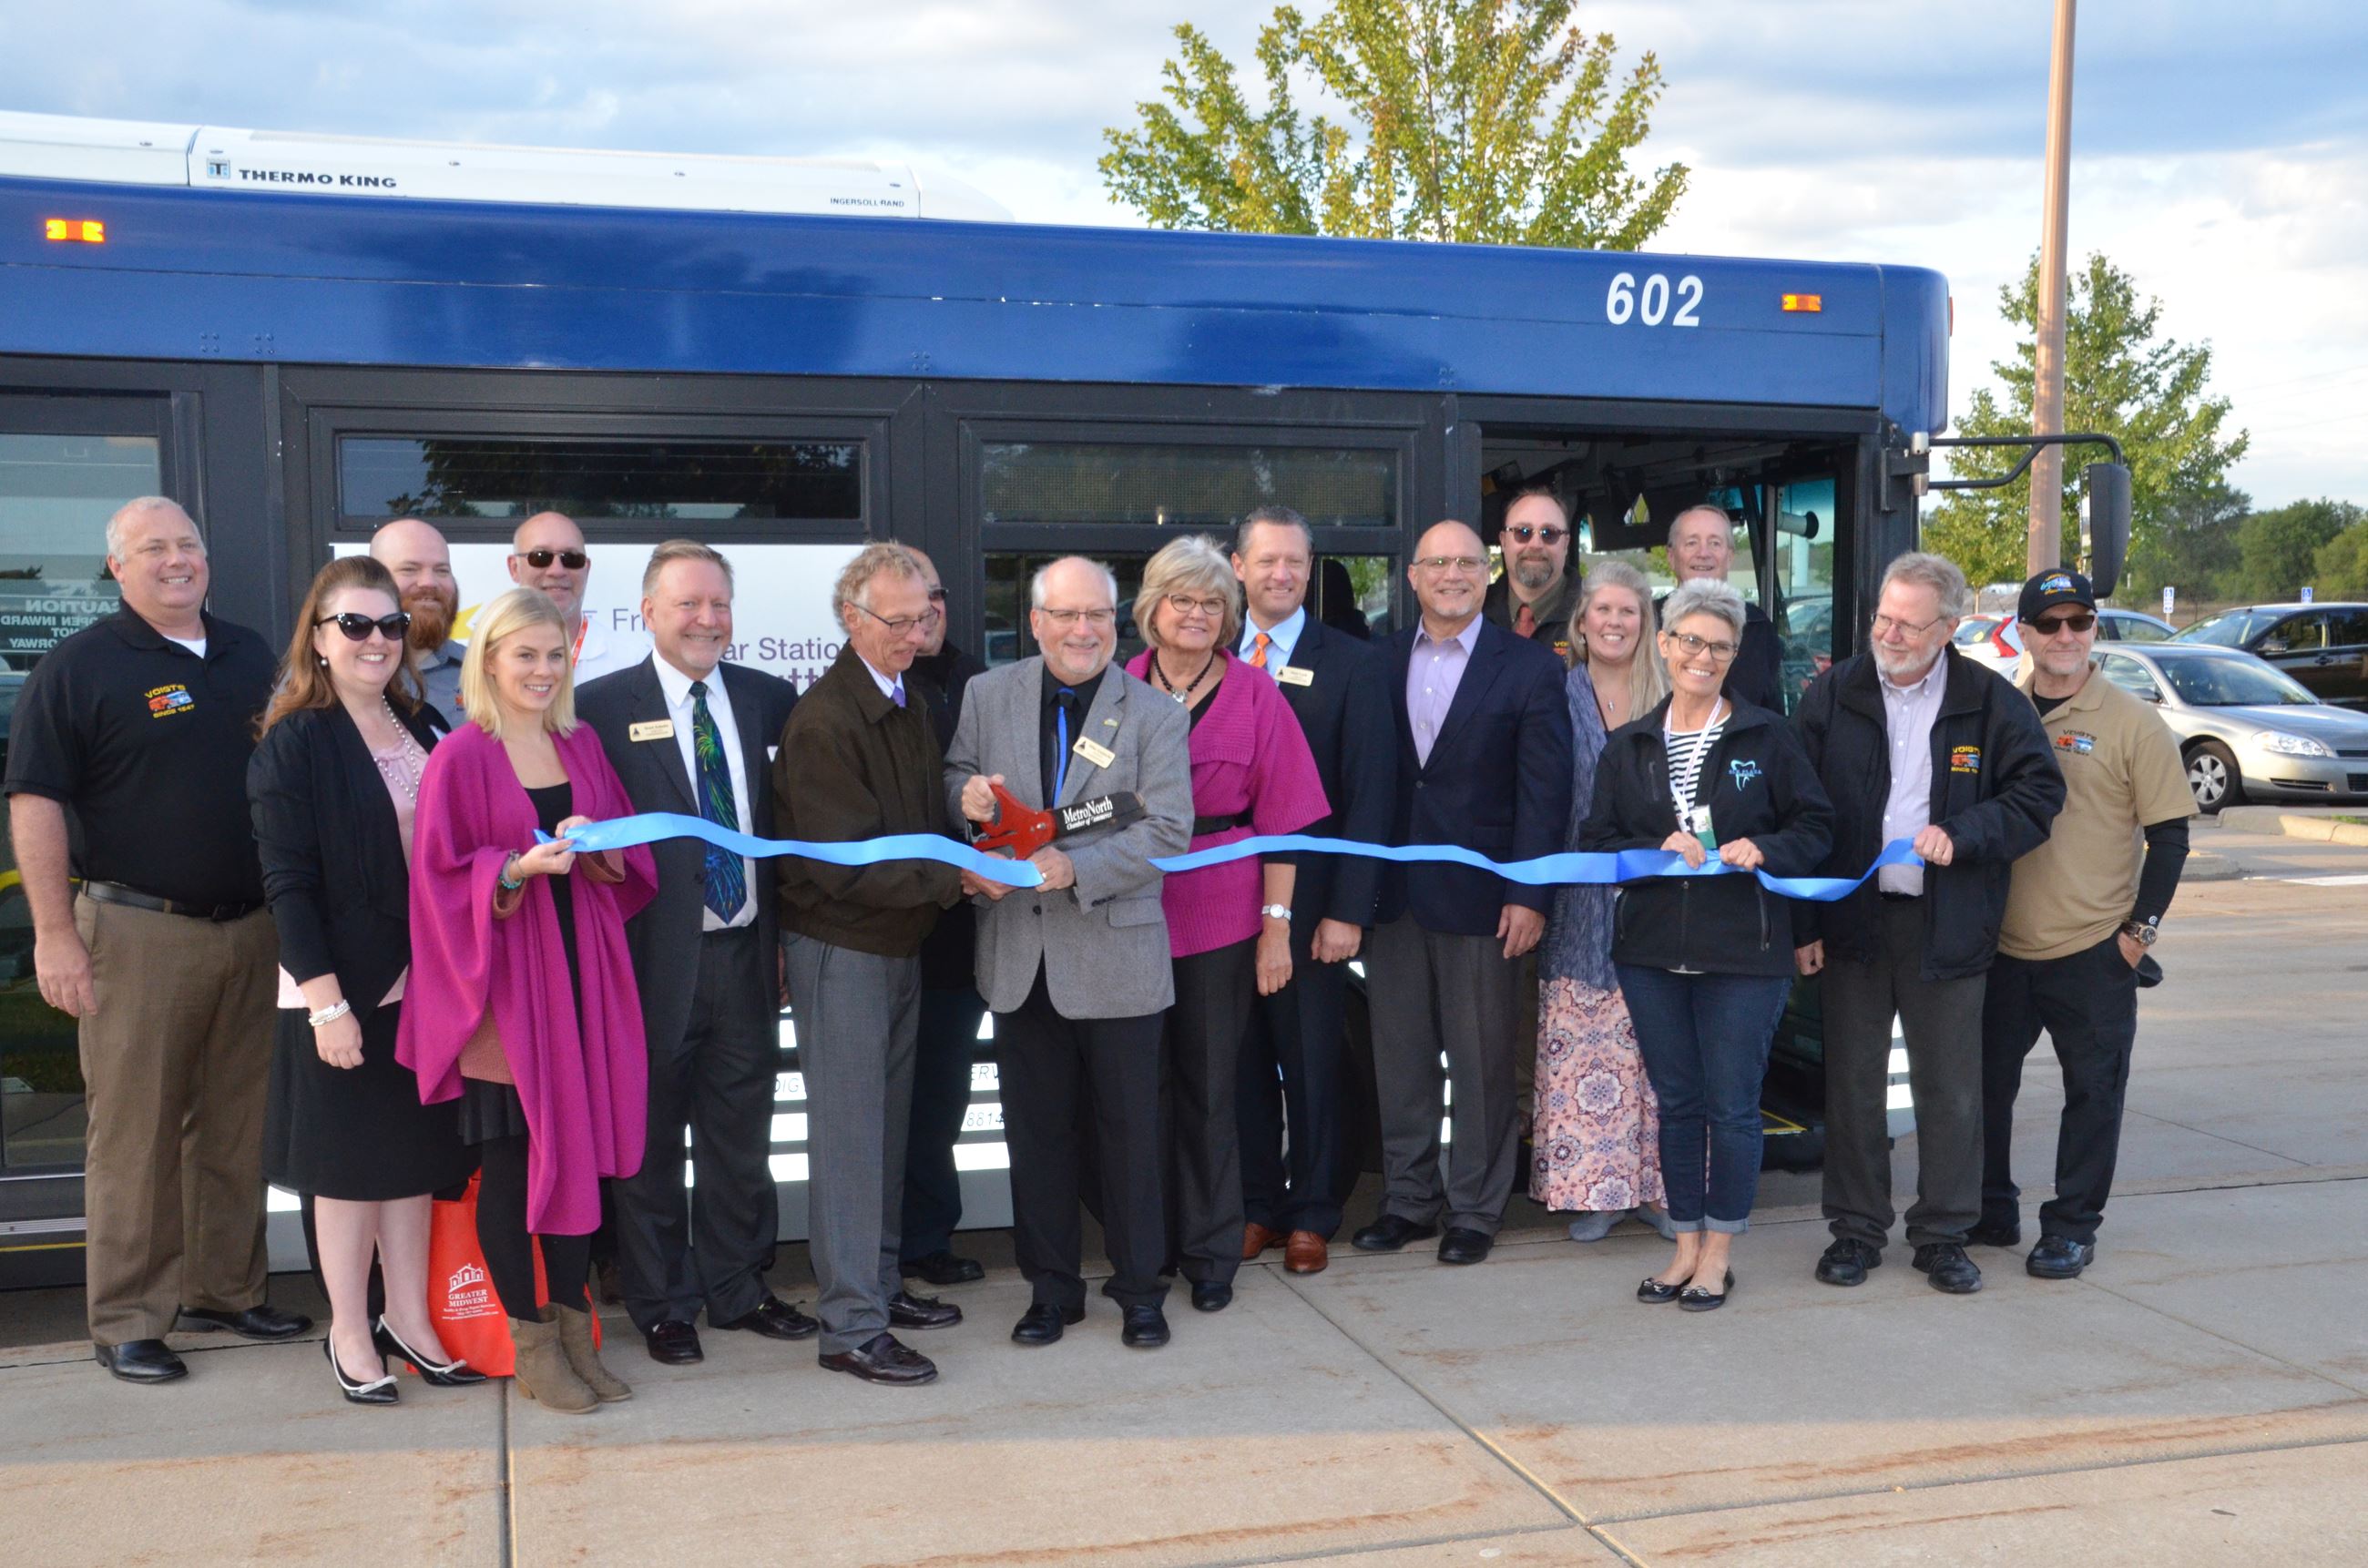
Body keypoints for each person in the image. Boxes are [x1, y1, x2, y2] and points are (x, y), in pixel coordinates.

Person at [5, 496, 309, 1384]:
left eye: (188, 545)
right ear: (117, 567)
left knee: (234, 1126)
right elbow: (34, 802)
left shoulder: (252, 654)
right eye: (153, 548)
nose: (177, 561)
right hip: (136, 932)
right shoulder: (80, 667)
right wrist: (54, 934)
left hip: (250, 930)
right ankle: (130, 1318)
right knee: (133, 1134)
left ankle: (225, 1288)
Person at [398, 587, 657, 1414]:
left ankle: (577, 1333)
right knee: (513, 1172)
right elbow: (437, 880)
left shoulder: (579, 745)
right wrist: (514, 870)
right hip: (504, 993)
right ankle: (531, 1342)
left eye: (554, 656)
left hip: (584, 978)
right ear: (490, 661)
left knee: (581, 1161)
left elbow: (629, 851)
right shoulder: (461, 757)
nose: (542, 671)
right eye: (525, 656)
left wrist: (597, 847)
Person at [1793, 552, 2064, 1297]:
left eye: (1910, 624)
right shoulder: (1831, 693)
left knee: (1951, 1090)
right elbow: (1798, 812)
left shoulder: (1990, 702)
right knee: (1850, 1084)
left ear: (1947, 628)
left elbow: (2039, 794)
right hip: (1852, 921)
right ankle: (1854, 1230)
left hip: (1947, 924)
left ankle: (1944, 1234)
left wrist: (1968, 831)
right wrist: (1803, 922)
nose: (1891, 634)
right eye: (1884, 617)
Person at [944, 556, 1193, 1349]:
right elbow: (954, 776)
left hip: (1117, 960)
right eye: (1067, 616)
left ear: (1115, 624)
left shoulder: (1155, 714)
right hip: (1021, 961)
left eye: (1097, 617)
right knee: (1037, 1136)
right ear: (1038, 621)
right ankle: (1050, 1291)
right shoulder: (988, 694)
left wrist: (1076, 865)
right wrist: (966, 798)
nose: (1083, 631)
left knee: (1131, 1139)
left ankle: (1141, 1290)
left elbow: (1168, 830)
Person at [250, 555, 478, 1404]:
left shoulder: (420, 725)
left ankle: (410, 1319)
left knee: (412, 1163)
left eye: (389, 625)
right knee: (347, 1172)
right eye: (355, 625)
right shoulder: (294, 742)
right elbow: (289, 886)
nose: (376, 640)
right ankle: (350, 1329)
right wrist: (327, 1005)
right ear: (318, 636)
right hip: (340, 992)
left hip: (425, 989)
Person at [577, 542, 806, 1367]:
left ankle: (740, 1288)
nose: (707, 619)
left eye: (719, 604)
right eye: (688, 604)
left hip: (747, 954)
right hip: (646, 967)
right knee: (646, 1148)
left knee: (740, 1139)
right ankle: (663, 1302)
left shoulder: (768, 699)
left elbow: (784, 832)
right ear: (646, 612)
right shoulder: (599, 708)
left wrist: (780, 943)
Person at [1579, 579, 1833, 1309]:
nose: (1703, 656)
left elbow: (1817, 828)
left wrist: (1768, 846)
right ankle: (1682, 1246)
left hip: (1744, 954)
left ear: (1734, 655)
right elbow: (1596, 842)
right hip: (1652, 953)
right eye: (1690, 641)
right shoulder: (1628, 746)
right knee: (1678, 1104)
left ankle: (1719, 1252)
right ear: (1664, 646)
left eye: (1719, 646)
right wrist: (1650, 844)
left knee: (1733, 1106)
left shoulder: (1765, 735)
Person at [774, 543, 968, 1387]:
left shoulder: (912, 701)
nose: (913, 631)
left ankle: (879, 1288)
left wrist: (975, 831)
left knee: (883, 1132)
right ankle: (850, 1326)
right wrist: (959, 878)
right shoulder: (824, 720)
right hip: (843, 949)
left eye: (923, 615)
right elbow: (842, 862)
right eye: (896, 620)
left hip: (897, 944)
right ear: (851, 620)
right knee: (852, 1142)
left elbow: (921, 824)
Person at [1353, 520, 1572, 1266]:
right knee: (1401, 1059)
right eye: (1437, 563)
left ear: (1491, 574)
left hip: (1485, 902)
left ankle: (1476, 1209)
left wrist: (1529, 893)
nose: (1452, 574)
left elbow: (1545, 793)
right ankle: (1409, 1200)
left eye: (1468, 563)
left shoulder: (1531, 668)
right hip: (1393, 897)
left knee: (1481, 1063)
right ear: (1412, 577)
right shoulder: (1375, 662)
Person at [1122, 535, 1328, 1313]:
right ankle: (1150, 1247)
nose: (1199, 615)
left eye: (1214, 603)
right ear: (1153, 609)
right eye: (1184, 600)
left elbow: (1286, 823)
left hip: (1222, 912)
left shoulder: (1255, 693)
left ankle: (1212, 1256)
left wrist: (1276, 929)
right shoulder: (1118, 688)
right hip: (1129, 912)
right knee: (1141, 1092)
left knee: (1213, 1091)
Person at [1979, 569, 2194, 1279]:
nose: (2066, 636)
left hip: (2093, 950)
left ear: (2094, 629)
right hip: (2000, 948)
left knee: (2093, 1095)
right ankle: (1991, 1206)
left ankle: (2071, 1226)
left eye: (2079, 622)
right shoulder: (1999, 713)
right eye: (2051, 624)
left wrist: (2139, 936)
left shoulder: (2134, 723)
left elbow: (2169, 839)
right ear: (2026, 634)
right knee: (1983, 1089)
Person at [1230, 507, 1397, 1277]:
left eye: (1295, 561)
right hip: (1219, 907)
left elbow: (1371, 797)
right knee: (1237, 1061)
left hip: (1314, 909)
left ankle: (1314, 1211)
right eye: (1267, 561)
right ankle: (1257, 1203)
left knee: (1313, 1065)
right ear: (1238, 567)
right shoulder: (1203, 659)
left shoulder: (1354, 664)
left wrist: (1347, 910)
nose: (1282, 574)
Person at [1533, 561, 1676, 1243]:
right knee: (1592, 1052)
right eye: (1604, 611)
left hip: (1662, 898)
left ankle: (1663, 1191)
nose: (1616, 622)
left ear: (1647, 623)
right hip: (1579, 899)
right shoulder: (1554, 694)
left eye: (1630, 611)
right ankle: (1599, 1192)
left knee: (1662, 1051)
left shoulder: (1675, 693)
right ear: (1582, 622)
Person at [899, 545, 993, 1288]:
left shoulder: (980, 684)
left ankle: (928, 1238)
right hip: (878, 932)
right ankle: (878, 1247)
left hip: (959, 939)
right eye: (909, 598)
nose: (925, 611)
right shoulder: (859, 686)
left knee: (939, 1099)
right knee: (880, 1101)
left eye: (935, 594)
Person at [1659, 504, 1784, 712]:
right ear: (1671, 557)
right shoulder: (1646, 622)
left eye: (1715, 543)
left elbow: (1771, 712)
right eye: (1691, 543)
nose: (1703, 553)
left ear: (1730, 557)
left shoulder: (1757, 626)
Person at [506, 511, 631, 686]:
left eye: (571, 559)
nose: (557, 571)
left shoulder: (633, 660)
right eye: (541, 557)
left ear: (586, 569)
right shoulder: (486, 660)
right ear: (514, 568)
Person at [371, 516, 464, 717]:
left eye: (441, 570)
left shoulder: (484, 673)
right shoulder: (328, 677)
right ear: (374, 579)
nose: (429, 582)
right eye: (409, 569)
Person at [1483, 489, 1577, 660]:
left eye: (1549, 533)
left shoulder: (1596, 613)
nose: (1536, 545)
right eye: (1523, 532)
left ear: (1566, 544)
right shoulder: (1473, 612)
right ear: (1503, 541)